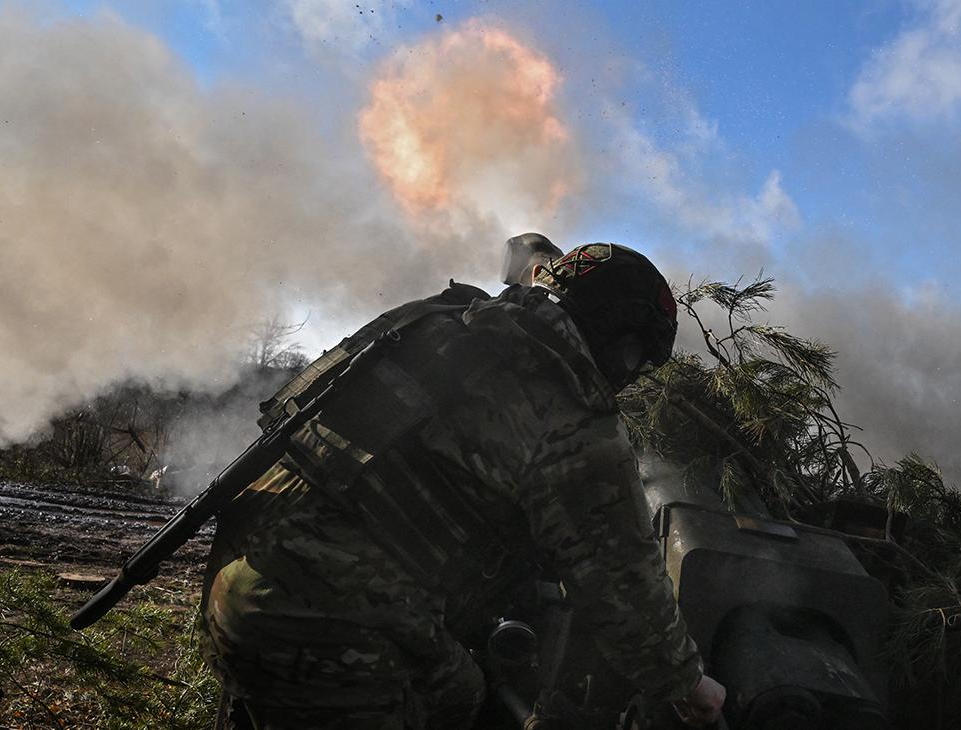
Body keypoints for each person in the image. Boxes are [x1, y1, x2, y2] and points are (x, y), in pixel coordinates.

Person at [199, 238, 727, 729]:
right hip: (334, 636)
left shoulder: (435, 322)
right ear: (618, 341)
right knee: (469, 698)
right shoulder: (573, 415)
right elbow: (621, 581)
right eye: (637, 358)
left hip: (235, 584)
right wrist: (686, 682)